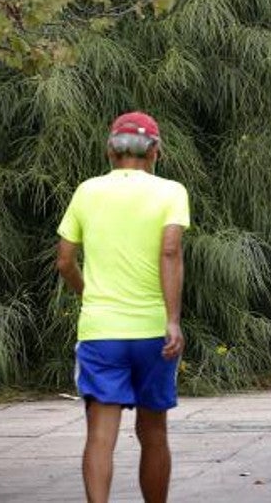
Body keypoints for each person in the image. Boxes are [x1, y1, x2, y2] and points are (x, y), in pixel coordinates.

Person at [55, 111, 190, 503]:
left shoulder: (87, 191)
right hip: (154, 332)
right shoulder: (171, 192)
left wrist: (89, 295)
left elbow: (64, 260)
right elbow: (170, 251)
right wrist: (173, 320)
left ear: (110, 150)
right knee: (153, 433)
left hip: (101, 331)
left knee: (100, 435)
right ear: (156, 151)